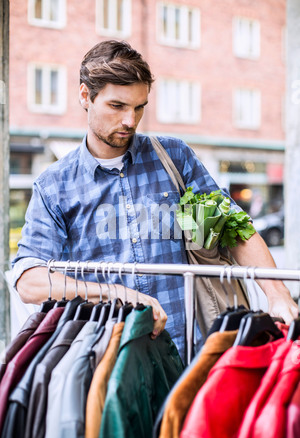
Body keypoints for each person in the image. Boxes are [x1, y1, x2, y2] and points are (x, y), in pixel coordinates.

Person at [12, 40, 298, 363]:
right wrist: (117, 294)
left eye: (139, 107)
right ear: (84, 96)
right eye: (117, 106)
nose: (130, 122)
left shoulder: (174, 156)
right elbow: (29, 280)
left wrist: (278, 294)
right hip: (110, 365)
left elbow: (236, 228)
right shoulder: (54, 186)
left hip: (192, 355)